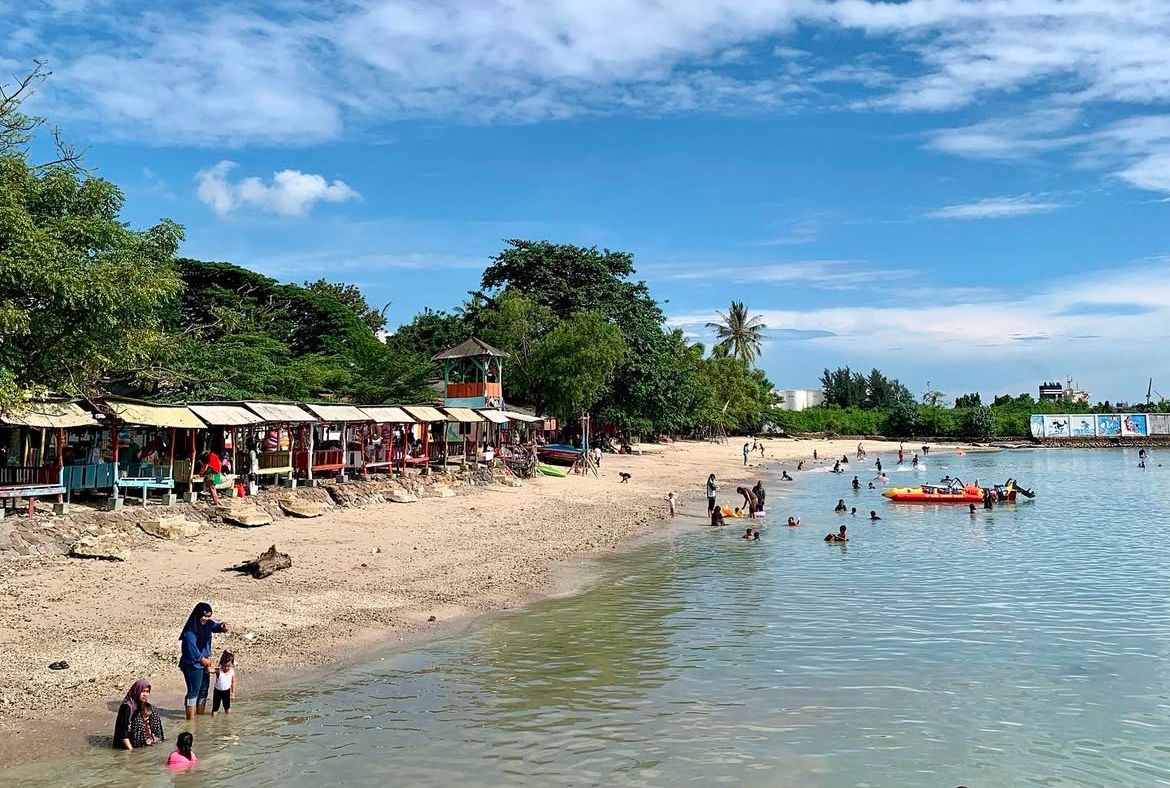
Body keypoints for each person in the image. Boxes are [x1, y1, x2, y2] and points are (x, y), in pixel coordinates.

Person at [179, 603, 229, 720]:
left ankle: (199, 718)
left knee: (204, 691)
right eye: (204, 616)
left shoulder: (208, 624)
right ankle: (190, 721)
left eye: (208, 616)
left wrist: (222, 626)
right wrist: (202, 659)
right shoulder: (190, 631)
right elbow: (191, 649)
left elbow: (215, 626)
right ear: (198, 614)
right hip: (193, 664)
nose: (206, 619)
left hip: (205, 662)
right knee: (193, 691)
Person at [113, 678, 163, 750]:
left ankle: (156, 741)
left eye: (147, 691)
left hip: (139, 741)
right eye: (143, 691)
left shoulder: (142, 704)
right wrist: (131, 751)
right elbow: (122, 731)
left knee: (154, 715)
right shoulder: (127, 707)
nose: (145, 694)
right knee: (139, 721)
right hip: (125, 743)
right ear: (137, 691)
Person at [212, 651, 236, 716]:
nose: (226, 668)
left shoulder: (232, 672)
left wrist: (233, 693)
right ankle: (214, 722)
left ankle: (228, 722)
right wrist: (209, 667)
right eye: (224, 666)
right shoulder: (219, 670)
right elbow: (212, 670)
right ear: (221, 664)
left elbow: (233, 683)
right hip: (217, 691)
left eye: (228, 666)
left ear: (232, 664)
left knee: (227, 707)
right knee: (215, 708)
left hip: (227, 691)